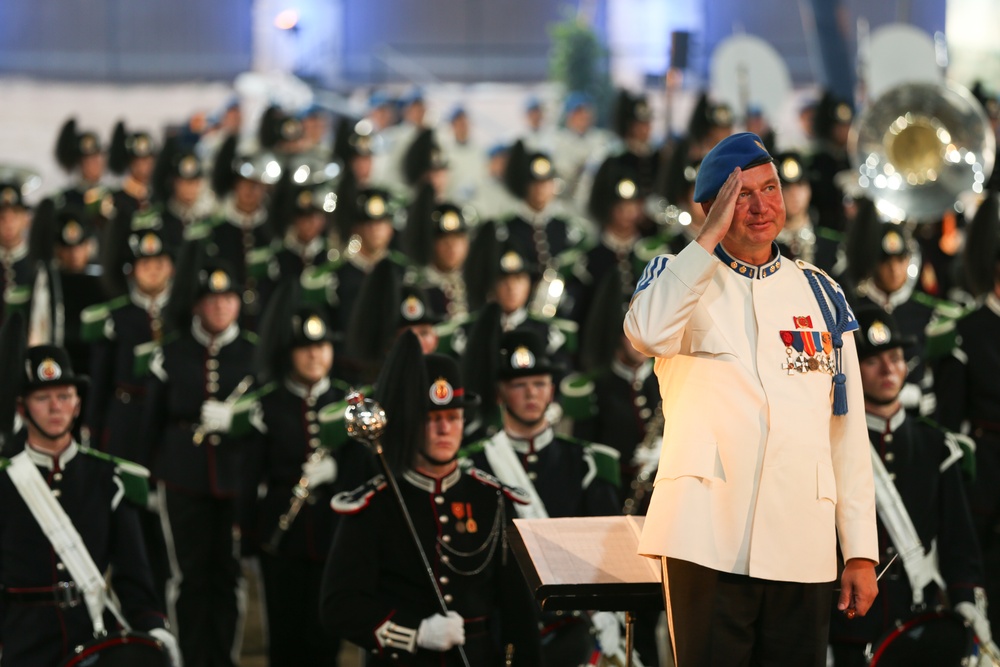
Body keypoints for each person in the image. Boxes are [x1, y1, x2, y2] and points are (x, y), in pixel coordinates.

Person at [624, 132, 879, 666]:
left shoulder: (820, 293)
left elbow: (847, 433)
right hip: (706, 537)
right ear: (709, 207)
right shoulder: (677, 278)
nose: (762, 206)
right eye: (742, 195)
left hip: (802, 538)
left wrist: (858, 548)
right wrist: (706, 239)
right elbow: (645, 333)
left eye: (770, 188)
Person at [320, 334, 542, 666]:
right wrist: (414, 633)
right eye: (432, 419)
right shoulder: (375, 505)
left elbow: (518, 611)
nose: (444, 430)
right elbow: (339, 605)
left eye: (452, 418)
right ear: (411, 424)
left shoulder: (490, 498)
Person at [0, 325, 180, 666]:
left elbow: (134, 576)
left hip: (92, 636)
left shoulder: (107, 479)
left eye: (64, 396)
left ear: (78, 403)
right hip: (20, 641)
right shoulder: (6, 483)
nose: (56, 407)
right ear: (22, 409)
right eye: (43, 398)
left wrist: (154, 629)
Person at [828, 305, 990, 665]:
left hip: (918, 623)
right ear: (852, 369)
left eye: (896, 357)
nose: (889, 369)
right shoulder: (830, 446)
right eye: (872, 360)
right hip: (850, 625)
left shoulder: (938, 447)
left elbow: (958, 540)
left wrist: (966, 599)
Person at [461, 329, 622, 665]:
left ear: (551, 390)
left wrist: (607, 612)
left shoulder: (588, 462)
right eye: (520, 385)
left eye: (540, 383)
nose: (531, 393)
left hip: (571, 626)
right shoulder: (473, 465)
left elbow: (606, 553)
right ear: (500, 393)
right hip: (501, 625)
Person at [242, 296, 375, 667]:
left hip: (335, 534)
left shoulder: (351, 400)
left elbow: (372, 468)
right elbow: (251, 473)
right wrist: (249, 536)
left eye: (321, 347)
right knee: (285, 638)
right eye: (305, 349)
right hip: (283, 538)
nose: (315, 356)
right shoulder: (269, 403)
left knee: (325, 637)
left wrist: (338, 473)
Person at [142, 253, 257, 667]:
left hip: (234, 477)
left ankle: (224, 658)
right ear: (196, 305)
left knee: (227, 576)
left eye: (228, 299)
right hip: (182, 477)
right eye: (212, 300)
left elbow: (266, 420)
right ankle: (189, 659)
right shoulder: (170, 354)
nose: (221, 307)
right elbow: (150, 422)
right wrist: (151, 479)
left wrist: (238, 418)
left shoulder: (254, 354)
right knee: (188, 576)